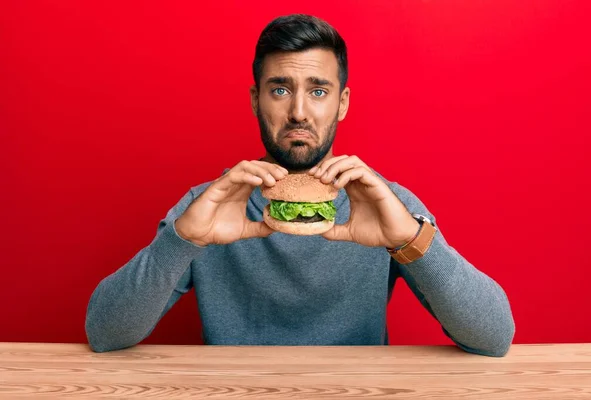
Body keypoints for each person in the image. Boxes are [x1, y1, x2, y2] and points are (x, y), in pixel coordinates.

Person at [85, 14, 515, 356]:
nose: (298, 112)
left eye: (319, 91)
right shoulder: (211, 205)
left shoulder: (386, 204)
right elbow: (104, 332)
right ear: (255, 100)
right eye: (279, 90)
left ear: (342, 103)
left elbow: (493, 336)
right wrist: (183, 240)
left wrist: (409, 240)